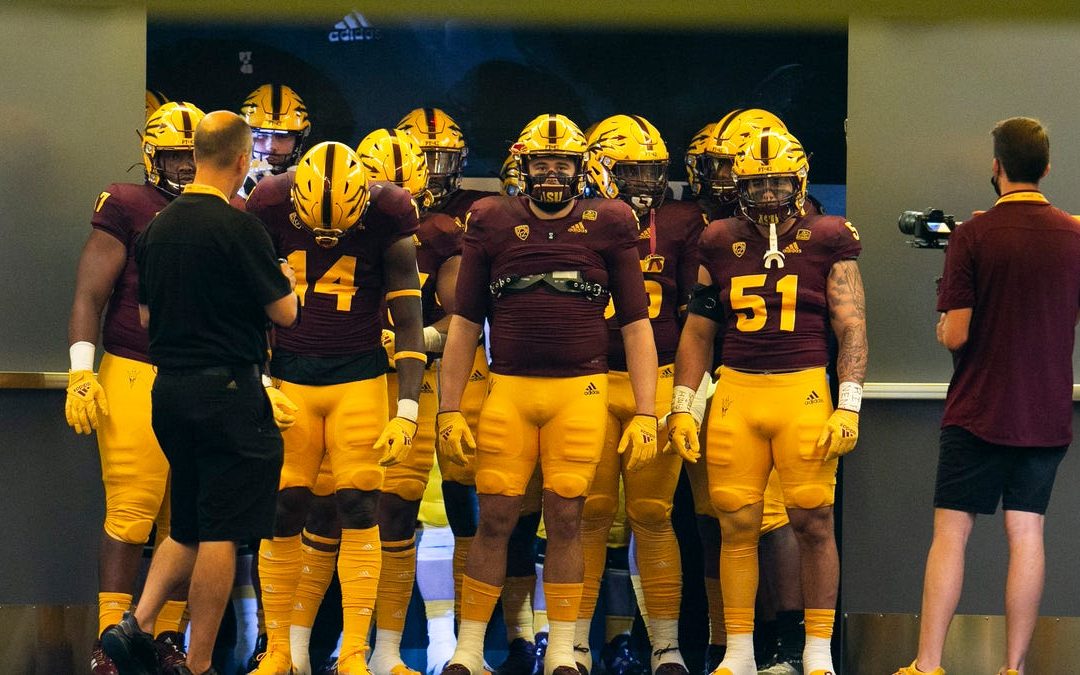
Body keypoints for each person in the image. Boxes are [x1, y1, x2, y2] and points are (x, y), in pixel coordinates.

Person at [435, 112, 659, 675]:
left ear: (582, 168)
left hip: (578, 389)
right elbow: (463, 323)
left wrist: (649, 410)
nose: (552, 172)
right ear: (523, 166)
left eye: (562, 162)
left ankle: (562, 647)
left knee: (566, 517)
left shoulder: (609, 221)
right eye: (543, 162)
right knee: (495, 519)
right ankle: (467, 648)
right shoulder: (488, 219)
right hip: (509, 388)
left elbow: (635, 324)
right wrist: (449, 408)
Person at [100, 110, 300, 675]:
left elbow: (142, 315)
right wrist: (286, 281)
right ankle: (201, 662)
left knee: (187, 522)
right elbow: (284, 312)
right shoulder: (241, 228)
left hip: (169, 391)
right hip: (230, 392)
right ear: (242, 160)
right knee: (223, 532)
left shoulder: (158, 227)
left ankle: (133, 625)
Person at [667, 126, 866, 675]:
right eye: (758, 184)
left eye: (779, 182)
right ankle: (737, 651)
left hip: (802, 387)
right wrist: (683, 403)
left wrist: (847, 402)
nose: (770, 195)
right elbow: (700, 330)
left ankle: (818, 652)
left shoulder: (829, 235)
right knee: (736, 525)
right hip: (736, 390)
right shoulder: (717, 238)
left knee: (814, 522)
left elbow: (851, 326)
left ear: (799, 181)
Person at [894, 118, 1080, 675]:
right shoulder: (1074, 237)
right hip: (1045, 415)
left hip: (976, 412)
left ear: (996, 166)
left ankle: (928, 666)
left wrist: (942, 319)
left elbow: (956, 334)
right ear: (1045, 167)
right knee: (1027, 534)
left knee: (951, 536)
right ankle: (1014, 668)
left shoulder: (972, 237)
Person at [245, 140, 424, 675]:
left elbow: (409, 314)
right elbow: (245, 303)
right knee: (281, 507)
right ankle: (278, 648)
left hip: (360, 377)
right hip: (289, 378)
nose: (326, 239)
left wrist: (408, 407)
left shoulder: (390, 212)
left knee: (361, 508)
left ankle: (353, 652)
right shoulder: (268, 203)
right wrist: (260, 377)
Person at [398, 108, 546, 675]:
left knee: (501, 510)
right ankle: (448, 638)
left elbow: (465, 310)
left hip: (486, 371)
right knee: (432, 510)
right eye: (420, 158)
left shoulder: (470, 218)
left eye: (441, 160)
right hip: (413, 374)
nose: (429, 172)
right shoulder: (383, 215)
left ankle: (511, 635)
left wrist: (420, 336)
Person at [66, 100, 205, 675]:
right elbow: (90, 295)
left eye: (193, 156)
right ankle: (109, 640)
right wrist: (80, 368)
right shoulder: (127, 204)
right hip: (133, 368)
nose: (184, 168)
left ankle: (168, 636)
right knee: (131, 514)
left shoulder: (229, 206)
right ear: (152, 155)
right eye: (174, 156)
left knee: (188, 520)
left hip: (203, 373)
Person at [579, 113, 704, 675]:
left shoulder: (680, 224)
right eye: (630, 172)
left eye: (652, 172)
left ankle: (666, 645)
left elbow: (695, 314)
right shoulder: (576, 218)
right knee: (588, 514)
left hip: (660, 372)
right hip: (590, 377)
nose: (645, 184)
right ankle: (572, 642)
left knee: (654, 514)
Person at [239, 83, 311, 199]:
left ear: (299, 140)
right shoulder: (226, 179)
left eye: (282, 137)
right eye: (261, 135)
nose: (271, 146)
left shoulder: (313, 180)